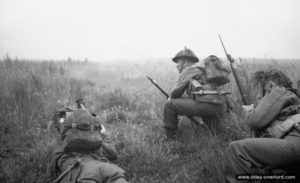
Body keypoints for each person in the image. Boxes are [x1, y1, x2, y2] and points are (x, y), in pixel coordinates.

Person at [224, 69, 300, 182]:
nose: (263, 95)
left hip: (295, 141)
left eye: (263, 90)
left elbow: (255, 121)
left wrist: (250, 112)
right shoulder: (292, 97)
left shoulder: (280, 92)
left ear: (271, 84)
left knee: (236, 150)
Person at [46, 100, 129, 183]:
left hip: (81, 173)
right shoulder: (94, 138)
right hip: (106, 168)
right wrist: (103, 134)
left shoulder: (55, 144)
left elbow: (51, 175)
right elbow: (113, 155)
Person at [163, 47, 229, 139]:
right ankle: (216, 132)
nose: (176, 66)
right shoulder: (204, 69)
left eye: (178, 62)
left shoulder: (189, 69)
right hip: (220, 107)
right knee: (213, 133)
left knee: (170, 104)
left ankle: (171, 137)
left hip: (207, 106)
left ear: (185, 61)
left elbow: (174, 94)